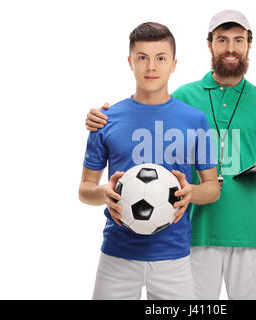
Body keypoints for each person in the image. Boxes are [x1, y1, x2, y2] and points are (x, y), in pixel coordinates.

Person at [85, 10, 256, 300]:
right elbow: (148, 107)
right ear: (210, 45)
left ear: (249, 45)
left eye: (238, 40)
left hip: (245, 228)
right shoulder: (184, 97)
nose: (230, 47)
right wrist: (99, 118)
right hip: (191, 233)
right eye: (222, 40)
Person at [78, 22, 220, 300]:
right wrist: (103, 193)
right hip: (117, 257)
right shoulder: (105, 120)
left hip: (175, 259)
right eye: (142, 57)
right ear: (130, 62)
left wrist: (191, 193)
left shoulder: (195, 120)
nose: (151, 66)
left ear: (174, 64)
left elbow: (213, 188)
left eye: (161, 58)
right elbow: (84, 189)